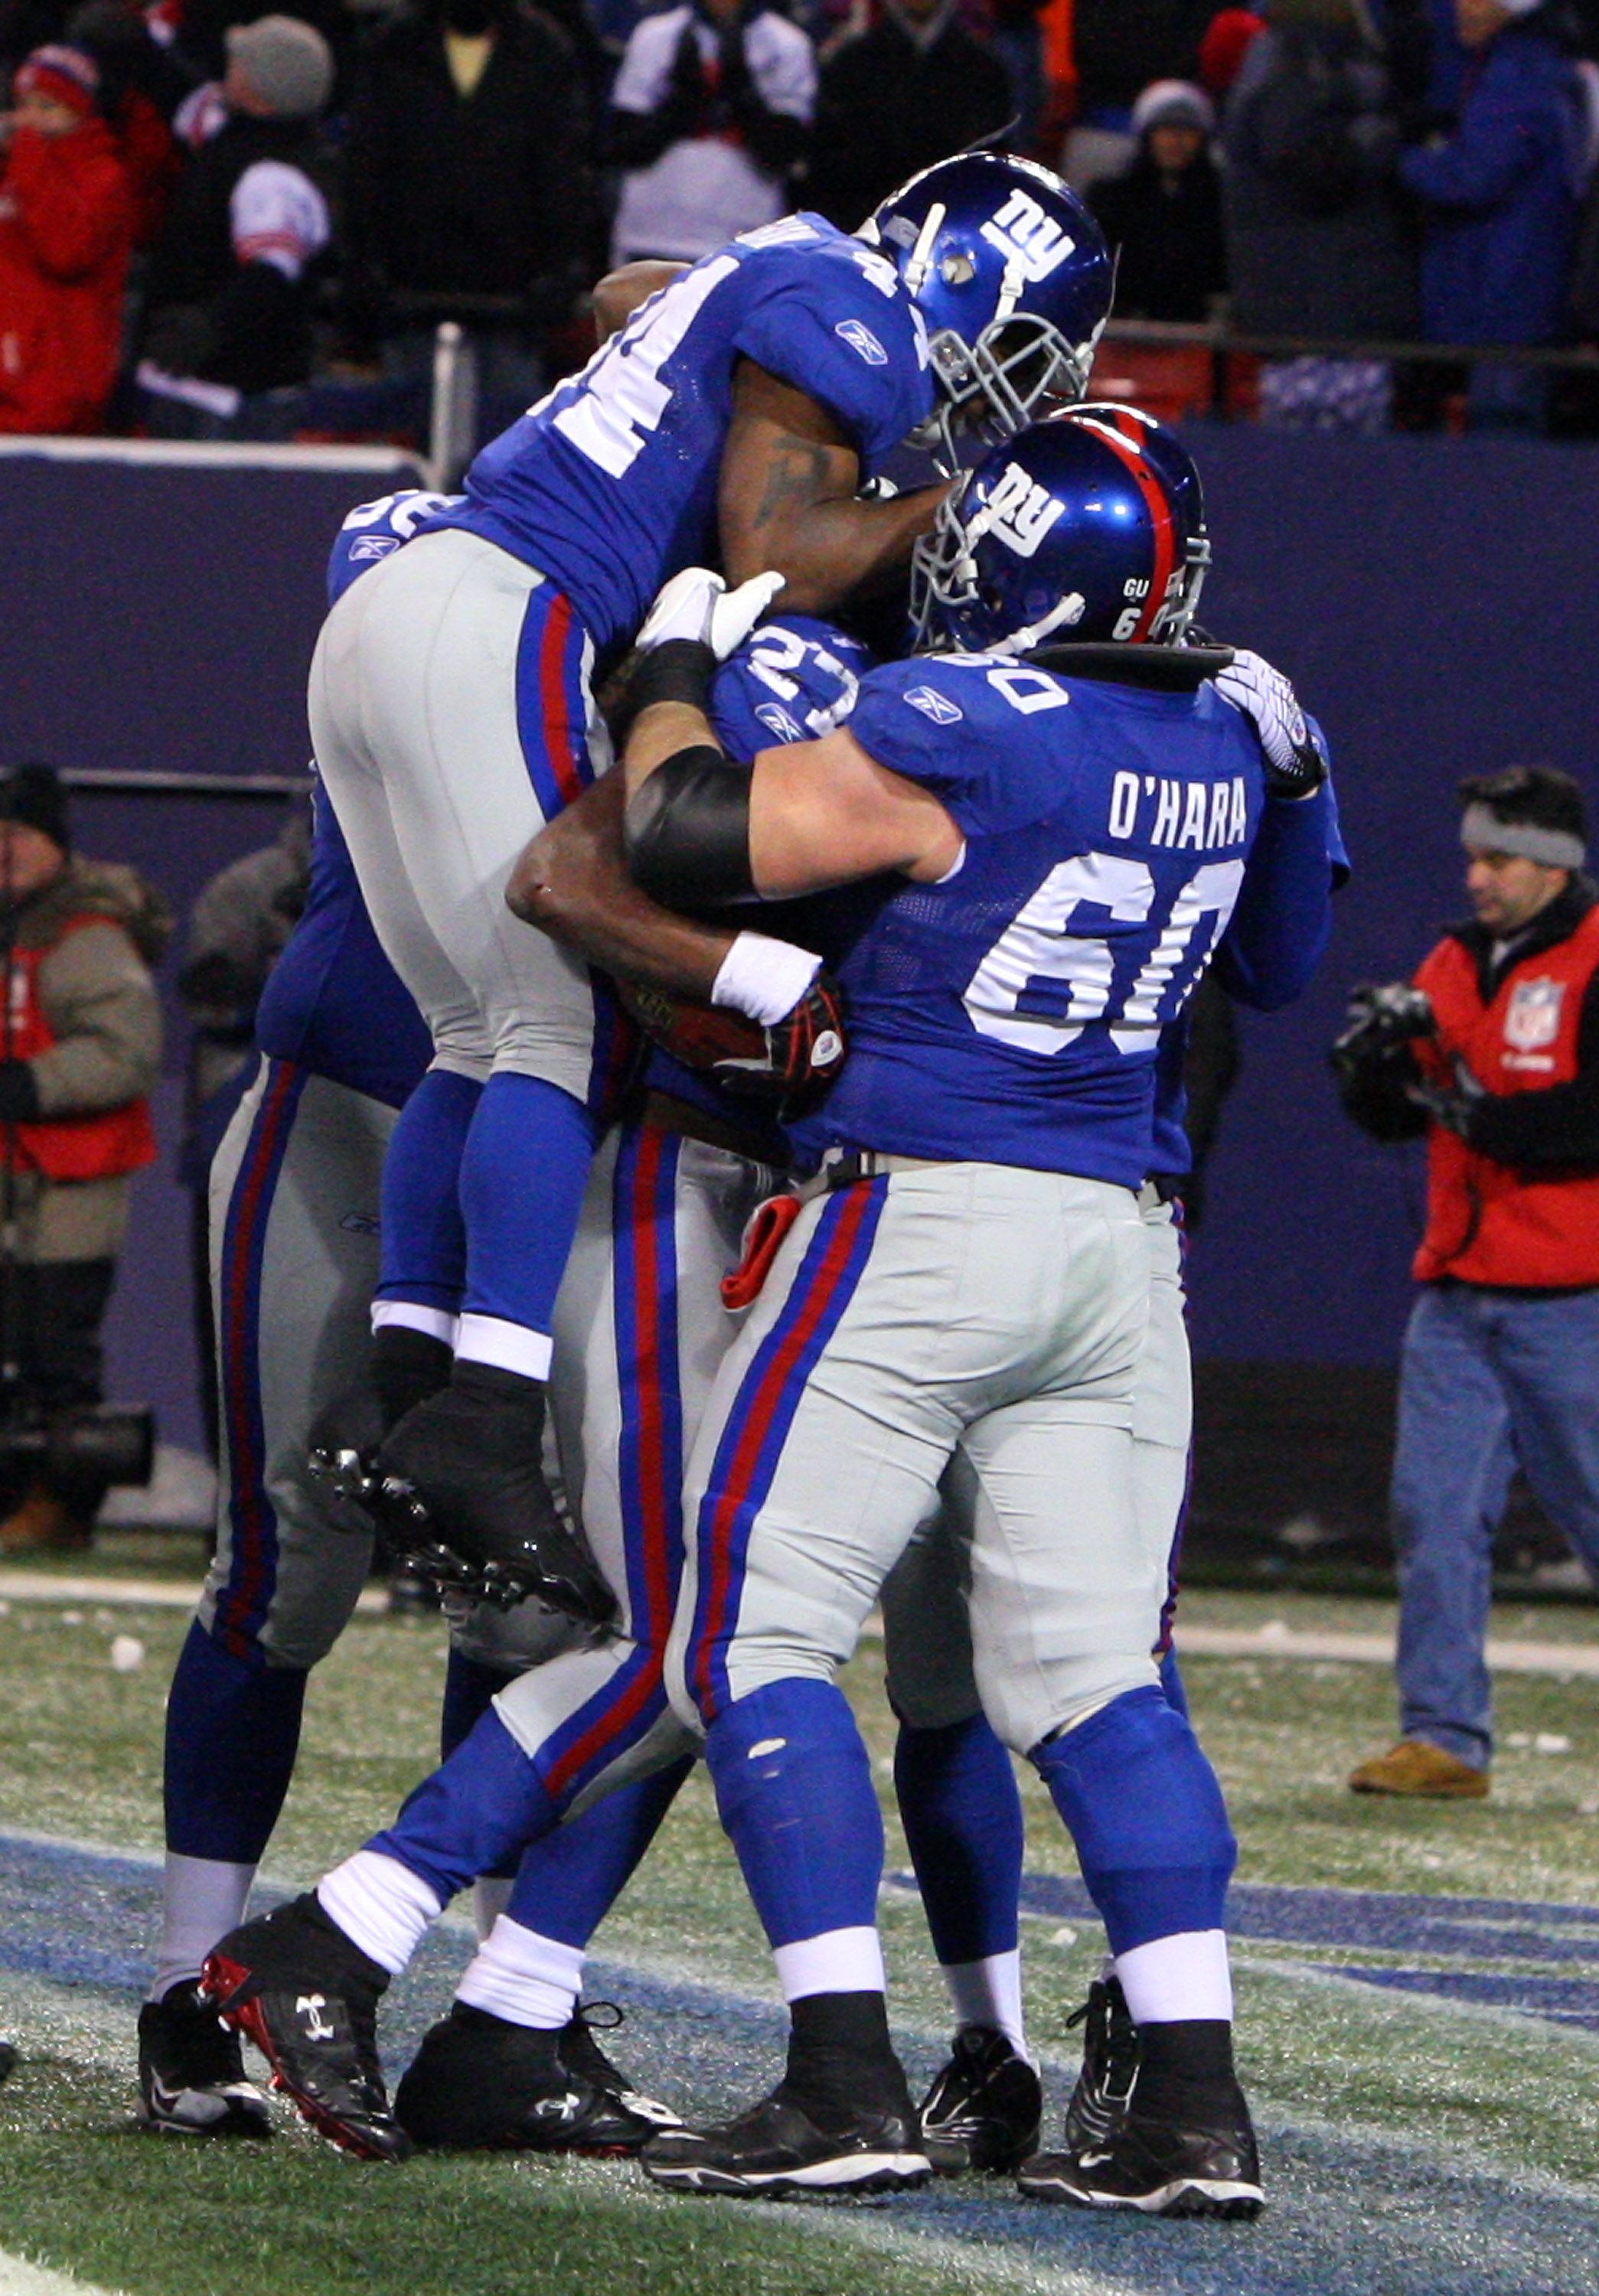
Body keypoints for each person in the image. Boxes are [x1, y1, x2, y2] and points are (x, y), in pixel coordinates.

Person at [197, 408, 1319, 2216]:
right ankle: (1192, 2099)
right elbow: (1269, 963)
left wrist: (665, 682)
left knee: (734, 1633)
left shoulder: (947, 715)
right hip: (1117, 1243)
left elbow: (669, 822)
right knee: (1098, 1676)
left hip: (916, 1212)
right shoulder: (1227, 728)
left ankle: (828, 2067)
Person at [300, 155, 1114, 1645]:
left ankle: (406, 1390)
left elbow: (626, 299)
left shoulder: (794, 266)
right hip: (513, 611)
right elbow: (779, 553)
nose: (1000, 388)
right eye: (1019, 348)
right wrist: (977, 500)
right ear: (972, 281)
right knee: (559, 1031)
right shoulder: (856, 317)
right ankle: (483, 1418)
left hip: (389, 620)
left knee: (474, 1040)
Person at [1337, 765, 1599, 1799]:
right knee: (1431, 1511)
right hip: (1456, 1297)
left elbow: (1582, 1125)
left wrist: (1454, 1103)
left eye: (1496, 858)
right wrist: (1375, 1070)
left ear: (1551, 862)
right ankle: (1444, 1735)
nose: (1476, 876)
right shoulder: (1455, 956)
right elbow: (1398, 1115)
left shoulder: (1593, 960)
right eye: (1473, 856)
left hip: (1573, 1299)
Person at [0, 764, 168, 1554]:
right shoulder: (28, 928)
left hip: (68, 1181)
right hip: (20, 1176)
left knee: (54, 1352)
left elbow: (128, 1050)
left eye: (20, 834)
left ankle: (62, 1507)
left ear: (55, 845)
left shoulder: (86, 934)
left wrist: (31, 1084)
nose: (4, 849)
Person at [342, 0, 591, 432]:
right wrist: (365, 265)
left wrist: (560, 270)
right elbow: (366, 162)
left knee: (506, 447)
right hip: (410, 288)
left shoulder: (544, 50)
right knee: (410, 436)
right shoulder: (392, 46)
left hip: (513, 292)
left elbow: (562, 170)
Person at [176, 805, 311, 1459]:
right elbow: (206, 996)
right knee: (235, 1330)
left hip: (365, 1137)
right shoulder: (248, 887)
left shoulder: (402, 877)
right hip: (243, 1127)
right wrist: (291, 992)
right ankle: (235, 1493)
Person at [134, 14, 335, 439]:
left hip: (226, 400)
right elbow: (181, 94)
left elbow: (271, 275)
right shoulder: (245, 140)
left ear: (260, 91)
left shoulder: (270, 174)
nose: (229, 70)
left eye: (240, 65)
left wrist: (206, 328)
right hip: (209, 389)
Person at [1222, 0, 1417, 432]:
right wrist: (1381, 139)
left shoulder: (1289, 62)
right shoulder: (1295, 67)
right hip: (1320, 317)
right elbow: (1313, 170)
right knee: (1324, 473)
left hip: (1320, 312)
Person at [1399, 0, 1585, 430]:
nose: (1463, 7)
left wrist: (1400, 156)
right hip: (1507, 288)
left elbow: (1472, 176)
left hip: (1508, 292)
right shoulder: (1517, 67)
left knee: (1503, 439)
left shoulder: (1521, 76)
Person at [606, 0, 814, 266]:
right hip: (652, 231)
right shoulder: (655, 36)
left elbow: (783, 155)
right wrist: (680, 105)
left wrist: (742, 95)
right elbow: (624, 145)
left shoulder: (786, 44)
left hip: (746, 235)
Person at [0, 42, 135, 436]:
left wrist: (27, 154)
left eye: (48, 107)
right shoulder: (18, 168)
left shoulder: (102, 178)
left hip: (56, 386)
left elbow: (66, 252)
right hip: (12, 375)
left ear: (80, 110)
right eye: (25, 105)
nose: (31, 119)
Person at [804, 0, 1011, 234]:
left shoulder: (985, 70)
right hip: (864, 234)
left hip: (954, 238)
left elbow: (993, 170)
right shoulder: (850, 65)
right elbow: (828, 170)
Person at [1088, 77, 1228, 321]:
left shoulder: (1220, 202)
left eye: (1188, 131)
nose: (1177, 141)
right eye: (1166, 130)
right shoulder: (1111, 198)